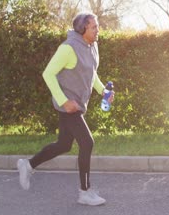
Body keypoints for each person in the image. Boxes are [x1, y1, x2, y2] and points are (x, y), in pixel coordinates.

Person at [17, 13, 113, 206]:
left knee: (64, 145)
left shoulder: (92, 47)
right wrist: (64, 101)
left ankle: (28, 165)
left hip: (77, 104)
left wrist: (103, 91)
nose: (97, 30)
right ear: (82, 29)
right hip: (68, 106)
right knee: (87, 143)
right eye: (94, 27)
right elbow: (48, 74)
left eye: (97, 27)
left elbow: (91, 73)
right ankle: (84, 192)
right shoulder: (68, 48)